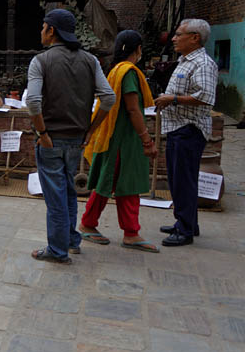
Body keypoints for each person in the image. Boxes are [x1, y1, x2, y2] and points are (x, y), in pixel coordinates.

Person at [26, 9, 116, 264]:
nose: (41, 32)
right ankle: (71, 241)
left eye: (43, 27)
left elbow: (32, 101)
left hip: (51, 138)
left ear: (51, 30)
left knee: (56, 196)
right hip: (77, 138)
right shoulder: (90, 60)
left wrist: (42, 133)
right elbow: (108, 97)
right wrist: (91, 129)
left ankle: (57, 250)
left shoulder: (41, 61)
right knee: (66, 190)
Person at [79, 30, 159, 253]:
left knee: (117, 184)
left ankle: (126, 231)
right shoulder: (129, 73)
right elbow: (133, 108)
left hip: (117, 137)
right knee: (118, 183)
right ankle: (118, 230)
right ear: (139, 49)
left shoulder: (116, 70)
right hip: (124, 139)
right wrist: (146, 140)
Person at [154, 19, 217, 246]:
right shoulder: (185, 61)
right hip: (177, 127)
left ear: (194, 37)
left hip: (188, 129)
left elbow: (205, 97)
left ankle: (185, 229)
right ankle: (187, 221)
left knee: (183, 180)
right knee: (179, 179)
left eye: (178, 34)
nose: (173, 38)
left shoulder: (202, 63)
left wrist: (172, 99)